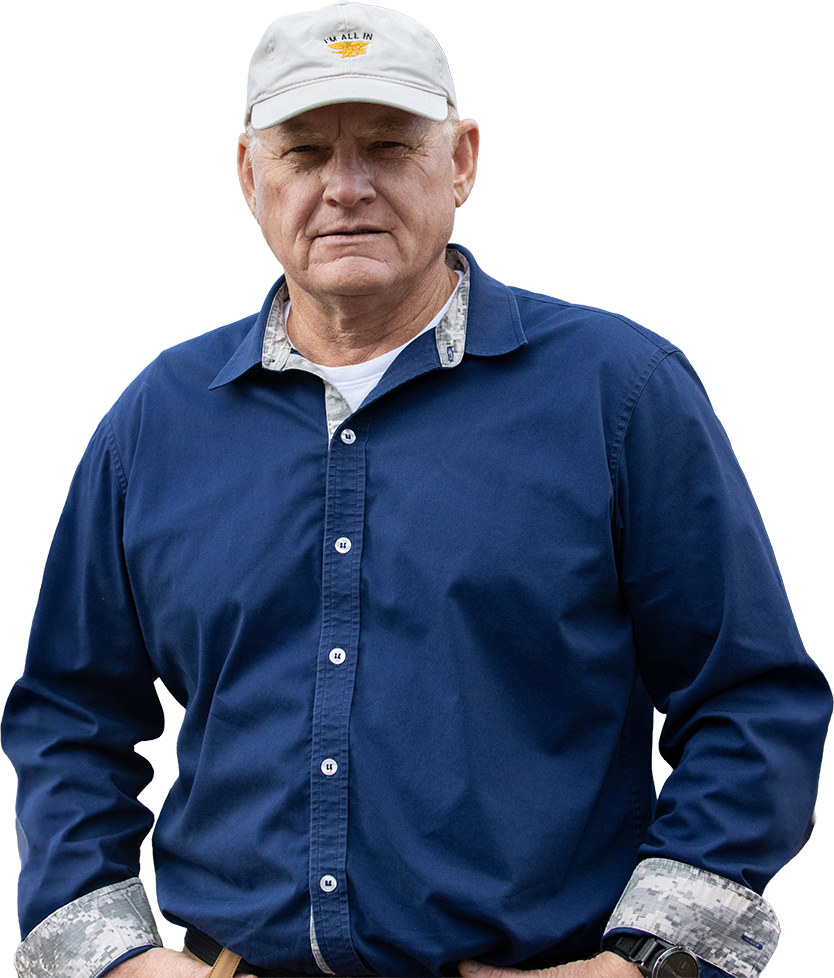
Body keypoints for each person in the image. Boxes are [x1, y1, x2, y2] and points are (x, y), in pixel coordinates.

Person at [2, 3, 830, 978]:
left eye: (389, 147)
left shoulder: (618, 392)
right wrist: (115, 957)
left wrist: (642, 963)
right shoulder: (158, 421)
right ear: (248, 176)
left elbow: (750, 701)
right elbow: (65, 713)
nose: (345, 189)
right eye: (305, 153)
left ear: (462, 160)